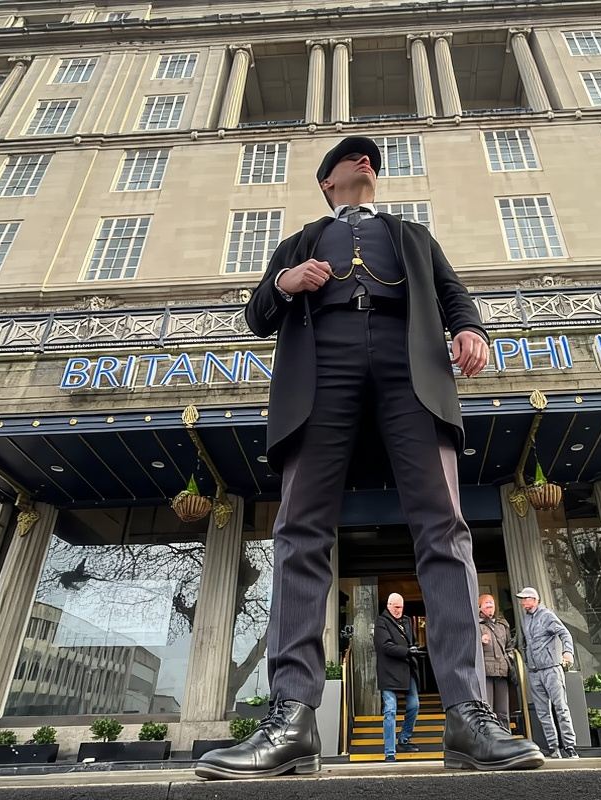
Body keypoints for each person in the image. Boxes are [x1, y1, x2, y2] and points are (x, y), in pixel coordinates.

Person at [195, 137, 543, 779]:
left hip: (409, 362)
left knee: (444, 525)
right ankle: (293, 717)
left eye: (372, 160)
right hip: (321, 363)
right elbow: (257, 316)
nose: (367, 163)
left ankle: (467, 715)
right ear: (327, 182)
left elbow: (453, 294)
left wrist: (470, 330)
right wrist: (284, 281)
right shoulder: (301, 238)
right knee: (299, 529)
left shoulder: (411, 234)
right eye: (353, 158)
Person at [515, 587, 579, 759]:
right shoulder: (525, 619)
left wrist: (567, 652)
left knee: (560, 707)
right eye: (522, 599)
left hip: (551, 668)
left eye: (525, 599)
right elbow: (524, 643)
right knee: (543, 711)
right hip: (534, 671)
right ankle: (553, 747)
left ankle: (570, 746)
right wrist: (528, 662)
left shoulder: (547, 615)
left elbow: (564, 633)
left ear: (534, 599)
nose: (522, 602)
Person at [376, 593, 423, 761]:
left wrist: (415, 649)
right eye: (395, 607)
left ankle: (404, 737)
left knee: (414, 705)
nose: (398, 610)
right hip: (388, 671)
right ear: (388, 605)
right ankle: (389, 752)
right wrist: (407, 651)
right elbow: (385, 646)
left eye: (401, 607)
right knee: (390, 710)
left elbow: (412, 642)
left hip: (407, 668)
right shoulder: (381, 621)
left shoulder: (407, 621)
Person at [478, 594, 513, 727]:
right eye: (486, 603)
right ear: (480, 607)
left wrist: (509, 660)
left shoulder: (502, 624)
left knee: (503, 711)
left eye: (491, 603)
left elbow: (509, 646)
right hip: (485, 672)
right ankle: (491, 740)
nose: (489, 605)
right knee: (488, 710)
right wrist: (479, 642)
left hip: (502, 671)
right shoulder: (475, 625)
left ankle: (506, 739)